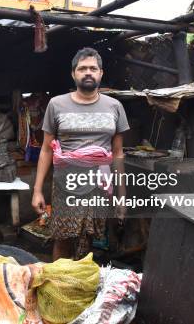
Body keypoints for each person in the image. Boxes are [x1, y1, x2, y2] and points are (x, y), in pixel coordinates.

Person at [31, 47, 129, 260]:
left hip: (99, 187)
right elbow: (46, 150)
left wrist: (122, 196)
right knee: (63, 238)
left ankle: (80, 285)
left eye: (93, 68)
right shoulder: (57, 104)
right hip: (66, 186)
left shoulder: (115, 106)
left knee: (91, 239)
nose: (88, 72)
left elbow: (118, 153)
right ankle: (58, 285)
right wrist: (37, 190)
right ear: (73, 73)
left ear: (100, 73)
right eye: (82, 68)